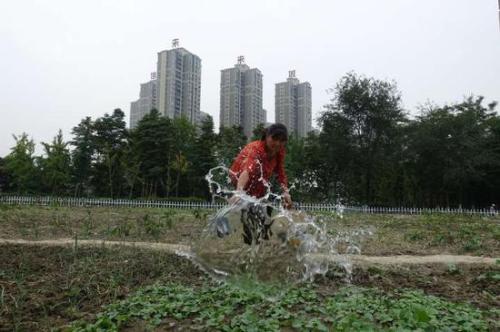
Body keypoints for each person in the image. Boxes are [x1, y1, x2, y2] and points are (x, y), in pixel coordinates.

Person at [225, 123, 293, 244]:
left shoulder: (279, 152)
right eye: (275, 138)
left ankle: (263, 239)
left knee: (265, 214)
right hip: (241, 179)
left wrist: (286, 192)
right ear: (266, 136)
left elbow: (280, 172)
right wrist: (239, 192)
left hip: (259, 184)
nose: (278, 143)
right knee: (249, 213)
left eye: (282, 140)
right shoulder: (256, 149)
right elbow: (247, 171)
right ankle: (248, 241)